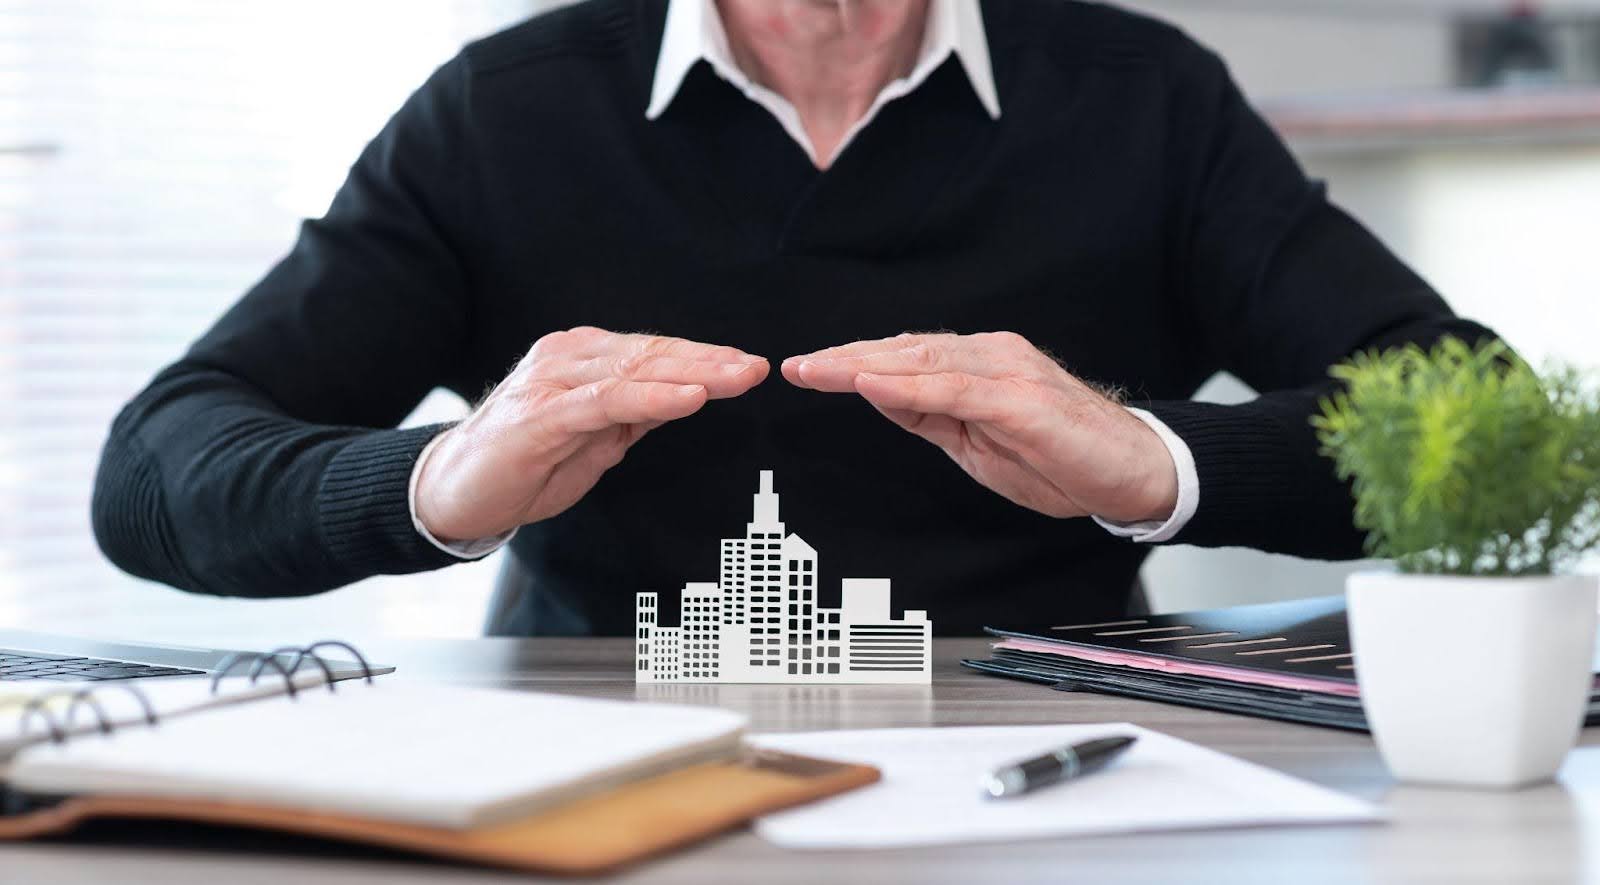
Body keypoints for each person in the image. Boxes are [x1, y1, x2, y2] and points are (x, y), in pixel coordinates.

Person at [91, 0, 1493, 635]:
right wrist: (431, 482)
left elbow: (1479, 422)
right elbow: (155, 472)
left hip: (1048, 788)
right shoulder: (507, 111)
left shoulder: (1144, 96)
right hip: (591, 778)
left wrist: (1164, 464)